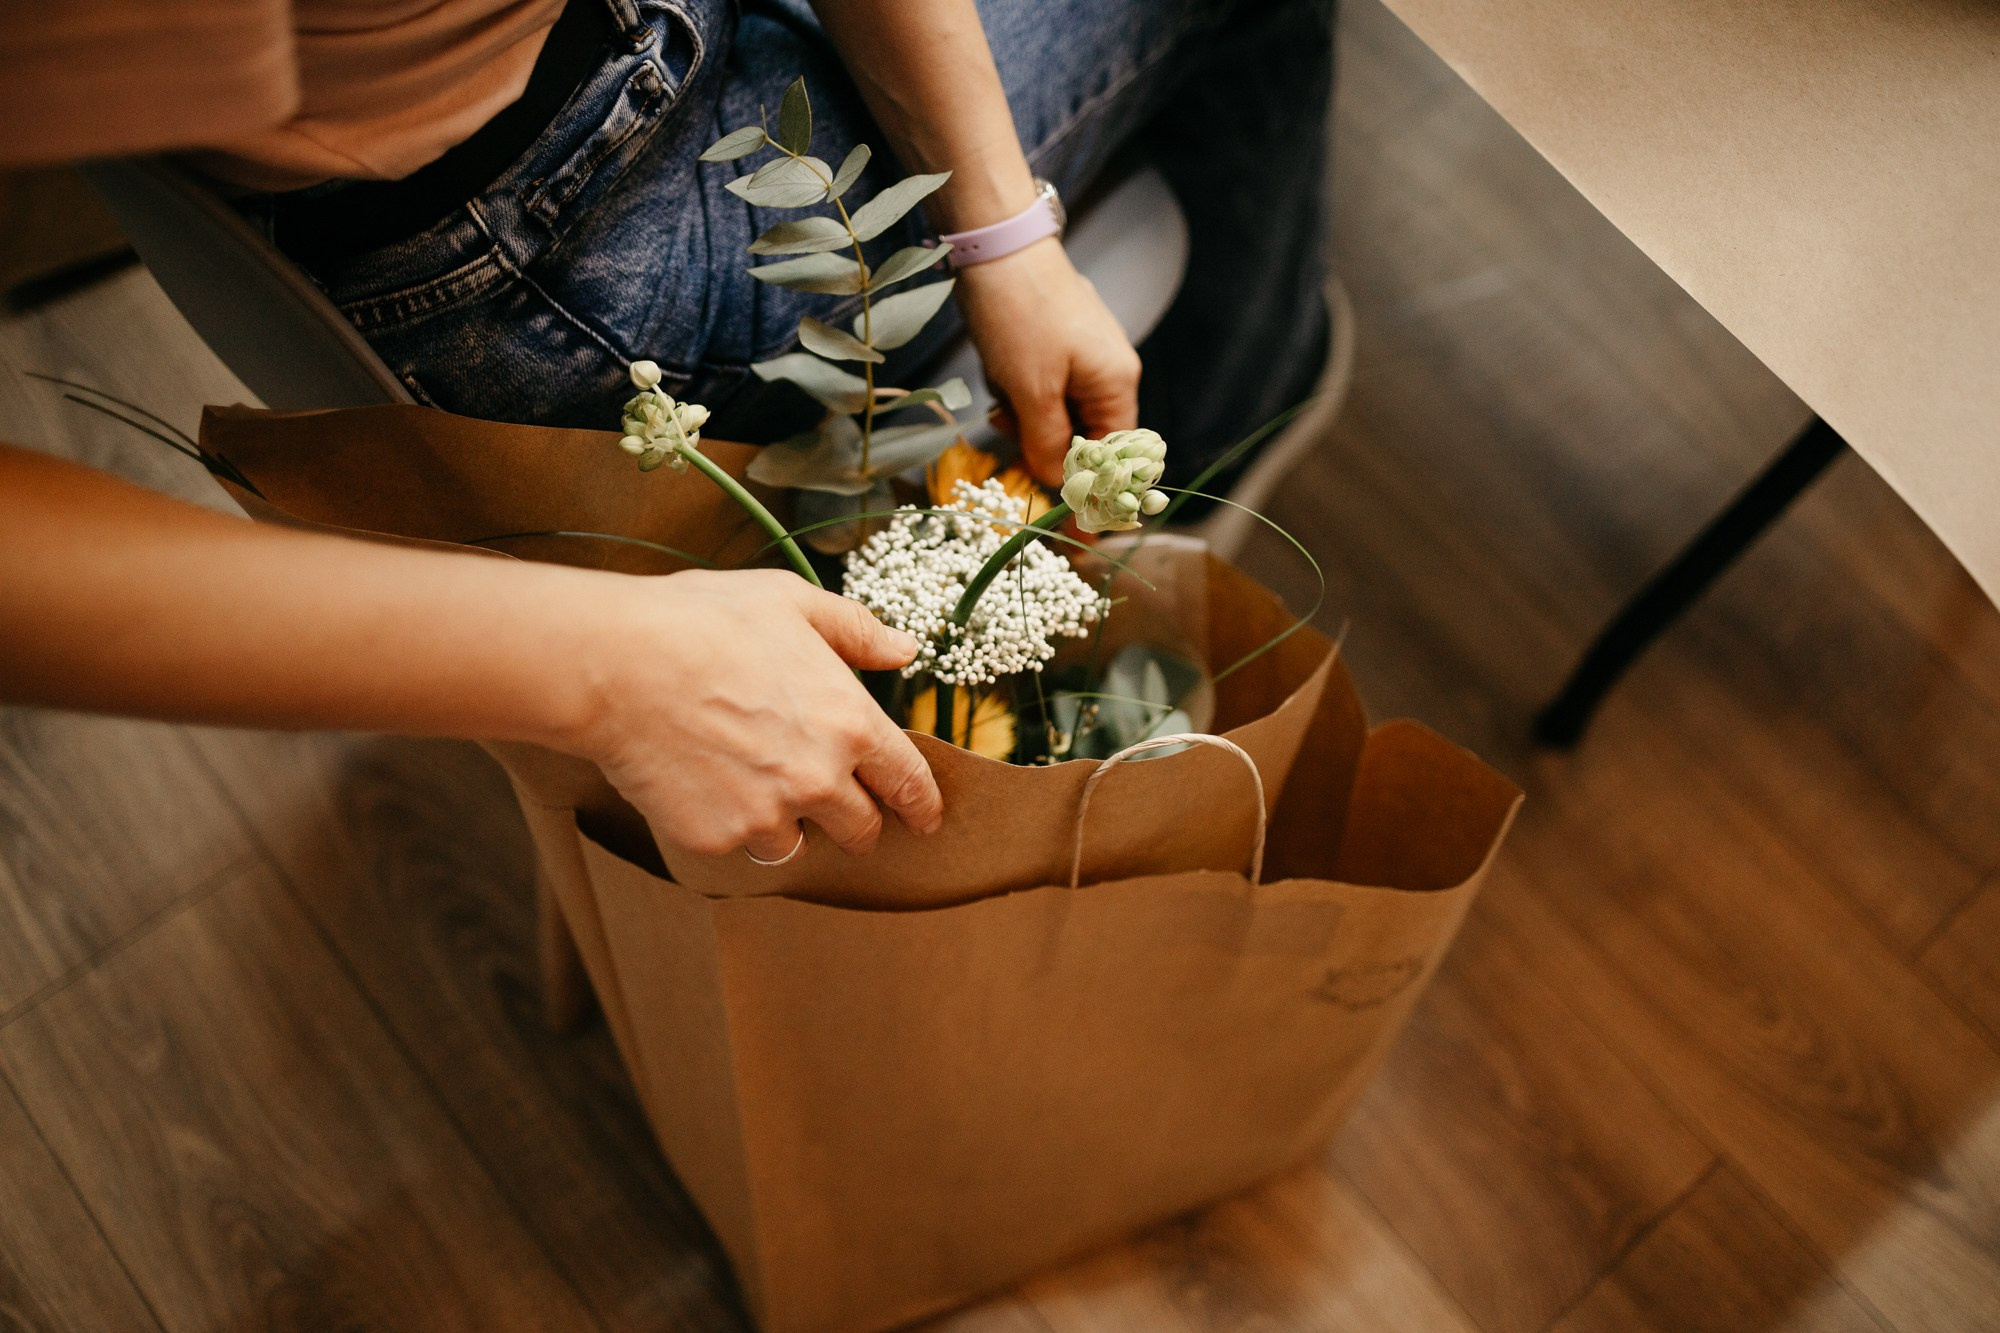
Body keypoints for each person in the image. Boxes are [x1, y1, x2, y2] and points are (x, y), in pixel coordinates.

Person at [0, 0, 1332, 862]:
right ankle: (1202, 445)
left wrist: (1001, 241)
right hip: (589, 226)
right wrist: (602, 669)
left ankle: (1082, 515)